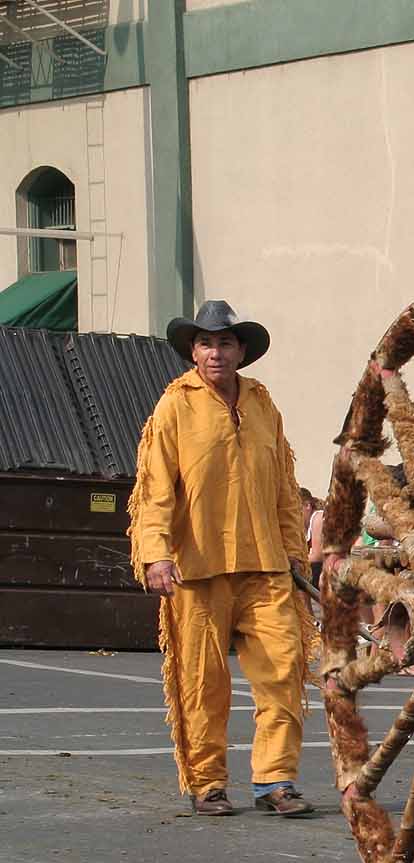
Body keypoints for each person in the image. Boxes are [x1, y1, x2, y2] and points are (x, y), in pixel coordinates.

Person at [127, 300, 314, 818]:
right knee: (203, 679)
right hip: (197, 566)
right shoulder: (175, 406)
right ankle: (208, 782)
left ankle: (275, 781)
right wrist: (156, 554)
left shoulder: (261, 403)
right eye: (206, 343)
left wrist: (295, 555)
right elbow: (155, 489)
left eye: (225, 342)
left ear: (242, 351)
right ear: (193, 351)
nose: (216, 352)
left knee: (283, 668)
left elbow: (282, 485)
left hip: (266, 564)